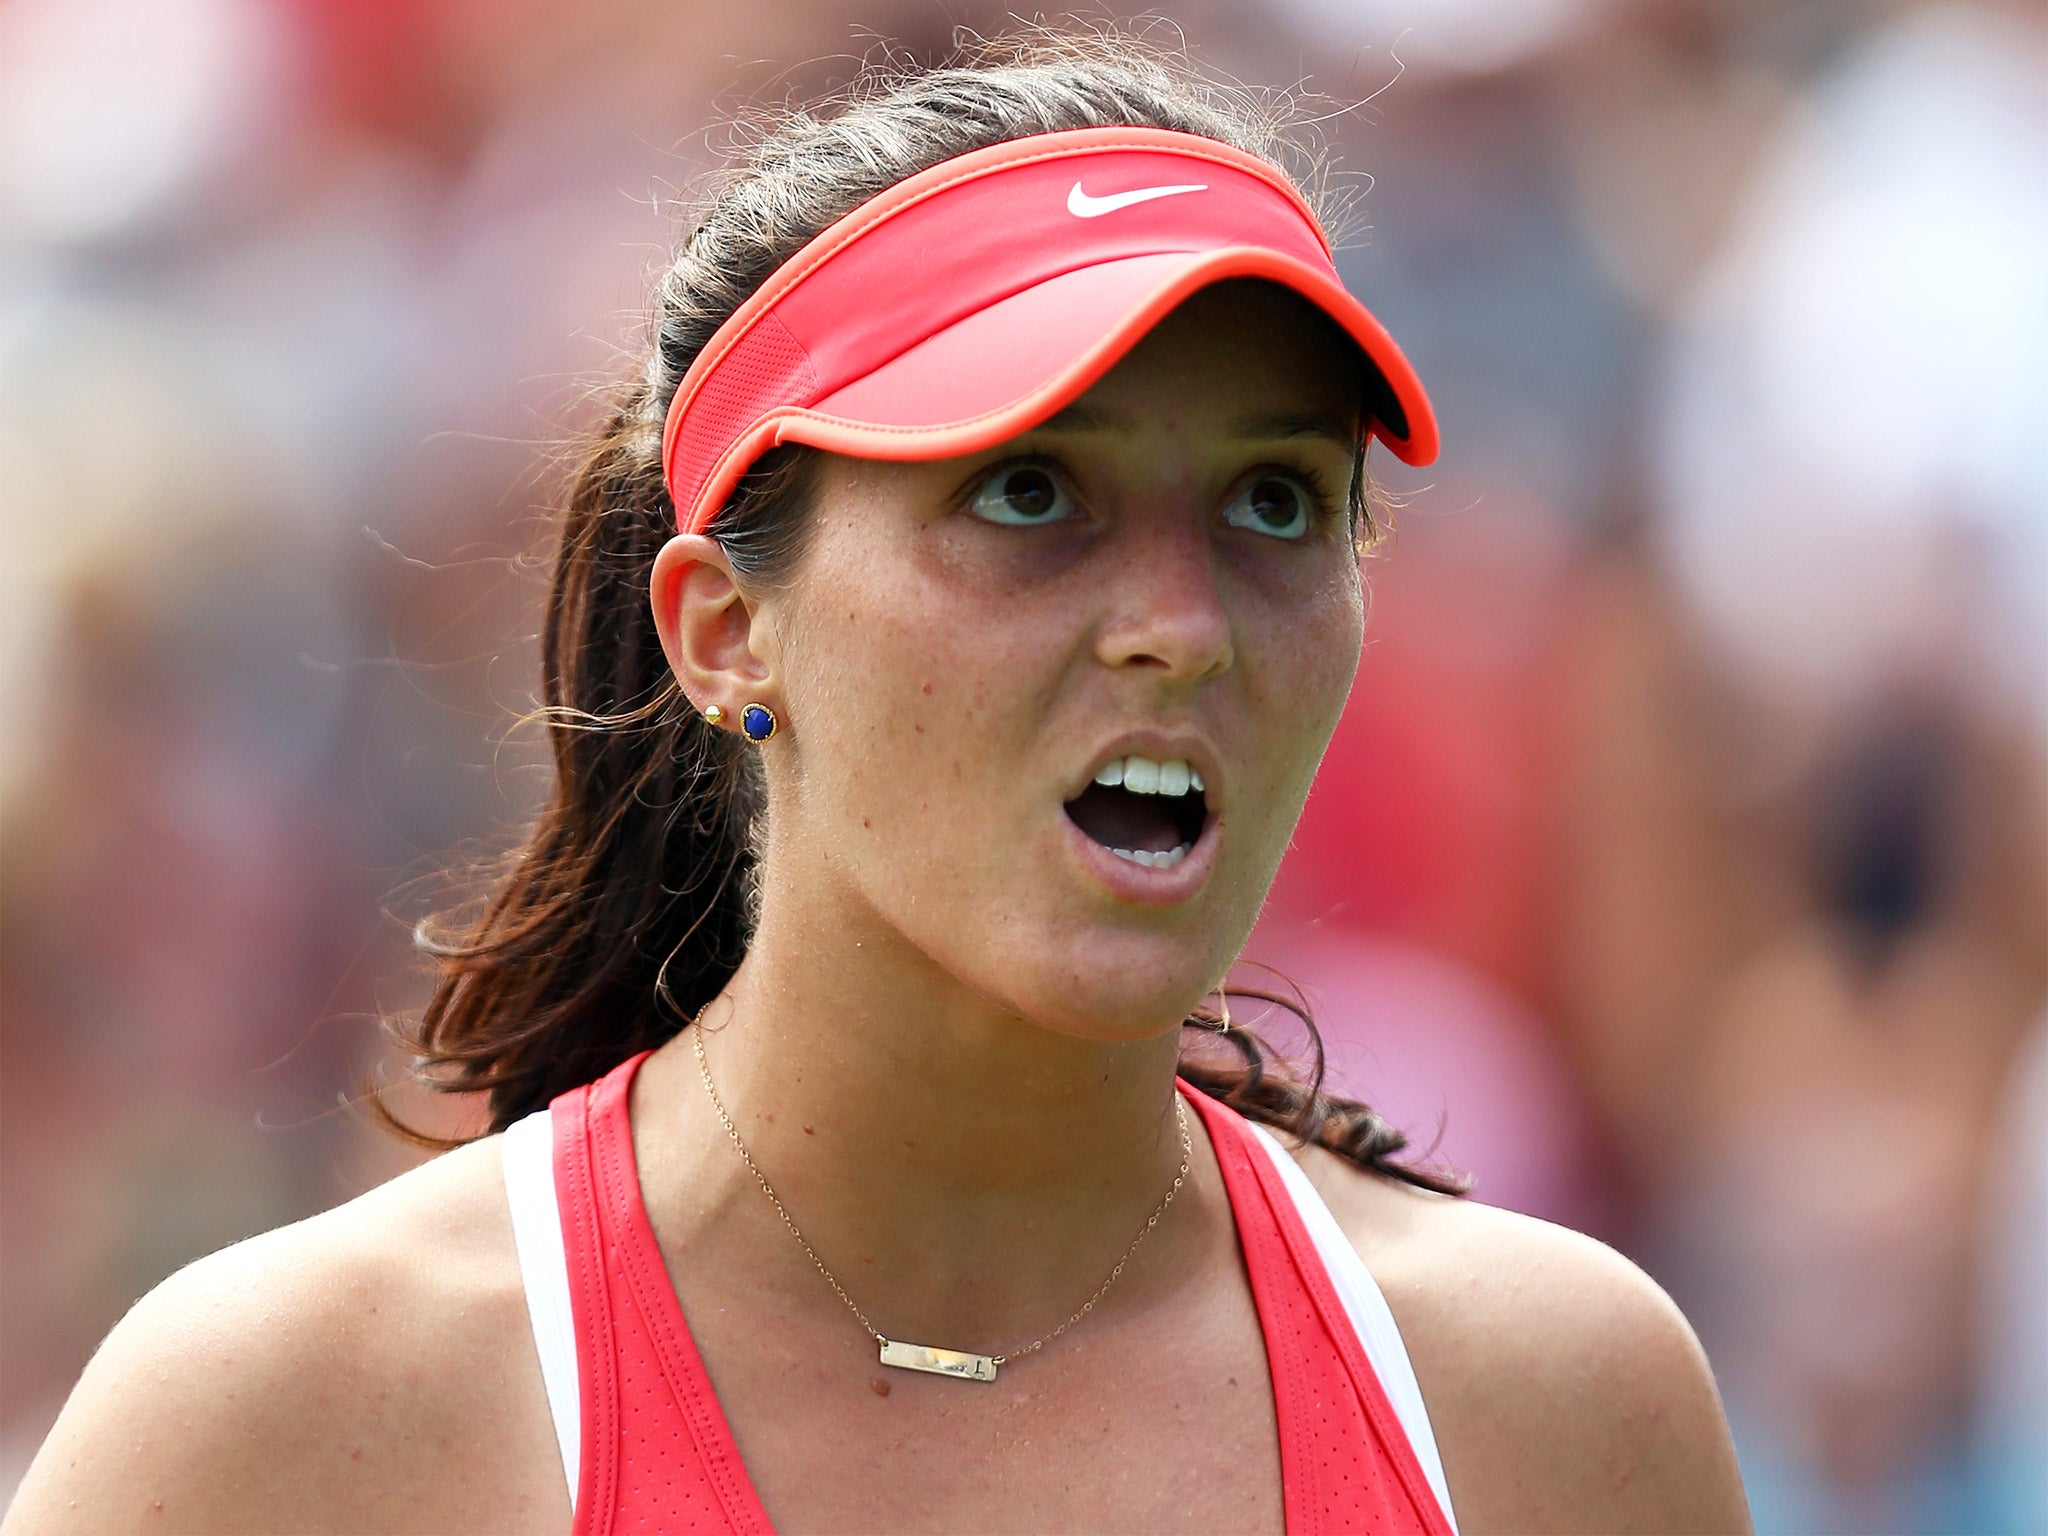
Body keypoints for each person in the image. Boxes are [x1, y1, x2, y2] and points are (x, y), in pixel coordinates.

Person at [4, 33, 1752, 1535]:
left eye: (1276, 501)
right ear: (721, 631)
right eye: (1027, 493)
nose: (1179, 625)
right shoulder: (291, 1427)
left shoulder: (1556, 1412)